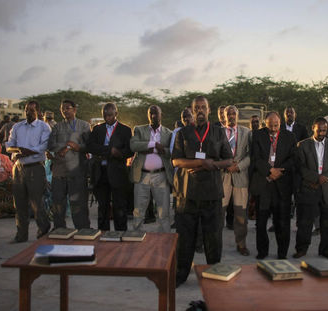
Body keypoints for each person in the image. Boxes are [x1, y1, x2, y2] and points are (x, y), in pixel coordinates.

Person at [171, 96, 233, 287]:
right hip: (186, 193)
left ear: (209, 110)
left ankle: (214, 273)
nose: (199, 111)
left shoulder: (217, 132)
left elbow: (229, 160)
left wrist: (210, 165)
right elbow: (176, 160)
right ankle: (181, 274)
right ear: (192, 110)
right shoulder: (183, 133)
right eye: (196, 108)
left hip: (211, 193)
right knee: (185, 238)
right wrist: (199, 162)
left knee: (213, 237)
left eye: (203, 107)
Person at [294, 117, 328, 260]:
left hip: (327, 189)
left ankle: (325, 250)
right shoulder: (303, 145)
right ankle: (302, 249)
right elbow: (300, 167)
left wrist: (325, 177)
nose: (322, 132)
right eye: (319, 129)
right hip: (309, 188)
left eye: (325, 130)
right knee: (305, 222)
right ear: (313, 128)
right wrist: (316, 178)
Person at [250, 111, 296, 260]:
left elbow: (293, 159)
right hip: (263, 184)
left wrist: (279, 172)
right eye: (271, 126)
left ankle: (282, 253)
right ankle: (262, 251)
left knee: (282, 222)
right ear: (265, 124)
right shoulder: (257, 135)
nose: (274, 129)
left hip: (281, 186)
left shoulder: (289, 137)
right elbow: (256, 158)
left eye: (276, 125)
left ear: (280, 124)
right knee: (261, 222)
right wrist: (270, 170)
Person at [5, 101, 51, 243]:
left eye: (31, 111)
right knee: (19, 204)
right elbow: (9, 146)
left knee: (37, 203)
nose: (28, 113)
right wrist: (18, 151)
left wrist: (26, 152)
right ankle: (21, 234)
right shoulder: (18, 126)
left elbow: (43, 147)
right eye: (26, 111)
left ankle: (43, 231)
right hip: (19, 168)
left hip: (35, 167)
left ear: (38, 111)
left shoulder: (44, 127)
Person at [87, 102, 133, 231]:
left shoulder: (125, 130)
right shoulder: (97, 129)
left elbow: (130, 151)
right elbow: (91, 146)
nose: (107, 117)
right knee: (102, 207)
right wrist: (109, 150)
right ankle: (102, 234)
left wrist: (119, 153)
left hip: (118, 173)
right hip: (100, 173)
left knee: (120, 207)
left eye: (110, 115)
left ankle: (121, 233)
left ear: (116, 114)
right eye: (105, 115)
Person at [47, 99, 91, 230]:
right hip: (59, 171)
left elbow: (89, 146)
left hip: (77, 171)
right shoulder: (57, 127)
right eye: (62, 108)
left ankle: (83, 230)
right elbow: (51, 145)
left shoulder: (84, 126)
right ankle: (60, 230)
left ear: (74, 109)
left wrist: (77, 147)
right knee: (58, 203)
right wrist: (68, 145)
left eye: (67, 108)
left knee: (79, 204)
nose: (65, 111)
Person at [130, 105, 173, 233]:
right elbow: (133, 145)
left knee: (163, 211)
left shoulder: (168, 133)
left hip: (161, 176)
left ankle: (164, 239)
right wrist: (153, 145)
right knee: (138, 210)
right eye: (151, 113)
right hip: (142, 176)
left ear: (161, 114)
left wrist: (162, 150)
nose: (153, 116)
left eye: (156, 113)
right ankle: (137, 236)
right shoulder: (139, 130)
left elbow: (171, 152)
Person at [221, 105, 252, 256]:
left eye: (234, 113)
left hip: (240, 177)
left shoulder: (246, 132)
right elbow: (213, 152)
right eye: (229, 114)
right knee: (218, 213)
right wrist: (226, 164)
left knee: (241, 214)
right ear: (224, 116)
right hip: (223, 176)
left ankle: (241, 244)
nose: (231, 116)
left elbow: (251, 155)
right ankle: (214, 243)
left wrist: (238, 166)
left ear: (237, 115)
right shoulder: (218, 132)